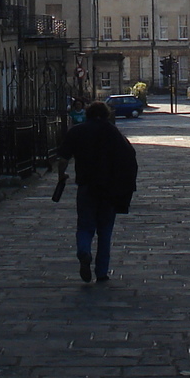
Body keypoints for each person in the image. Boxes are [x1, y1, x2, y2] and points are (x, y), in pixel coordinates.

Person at [56, 100, 138, 283]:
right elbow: (129, 157)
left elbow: (62, 159)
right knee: (105, 231)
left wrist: (62, 176)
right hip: (109, 188)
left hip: (86, 186)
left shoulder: (77, 131)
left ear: (88, 113)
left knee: (85, 226)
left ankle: (84, 251)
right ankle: (101, 272)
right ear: (107, 114)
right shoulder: (113, 133)